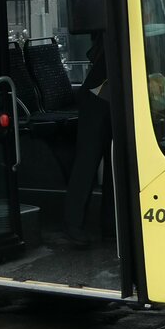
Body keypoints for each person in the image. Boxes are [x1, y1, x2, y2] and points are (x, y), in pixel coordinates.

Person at [64, 33, 113, 247]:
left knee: (114, 161)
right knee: (88, 161)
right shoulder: (116, 32)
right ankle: (73, 225)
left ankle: (112, 225)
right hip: (97, 97)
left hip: (109, 96)